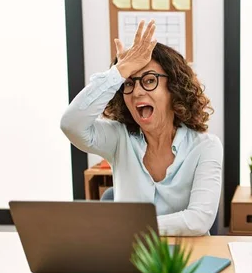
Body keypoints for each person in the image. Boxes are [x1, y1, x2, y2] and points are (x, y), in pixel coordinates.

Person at [61, 20, 222, 236]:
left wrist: (132, 228)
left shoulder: (206, 147)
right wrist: (119, 71)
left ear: (173, 88)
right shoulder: (118, 138)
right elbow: (71, 124)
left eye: (149, 80)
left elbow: (198, 220)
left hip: (187, 258)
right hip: (130, 257)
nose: (136, 92)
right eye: (129, 83)